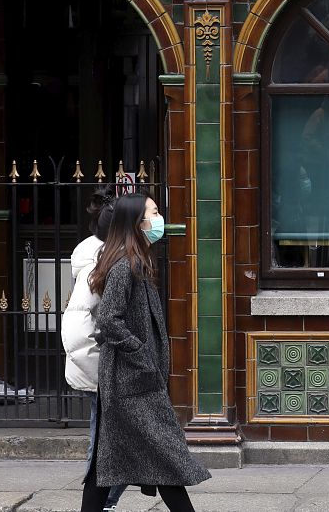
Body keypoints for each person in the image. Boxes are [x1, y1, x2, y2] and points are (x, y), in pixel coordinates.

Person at [81, 193, 209, 512]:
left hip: (135, 382)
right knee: (164, 457)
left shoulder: (136, 261)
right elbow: (109, 318)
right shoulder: (126, 265)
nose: (159, 218)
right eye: (154, 212)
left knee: (115, 462)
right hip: (131, 384)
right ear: (138, 223)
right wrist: (140, 354)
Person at [61, 188, 126, 511]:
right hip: (104, 372)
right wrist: (100, 374)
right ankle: (101, 505)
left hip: (113, 371)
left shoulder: (112, 257)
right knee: (105, 444)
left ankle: (103, 504)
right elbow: (76, 325)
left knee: (117, 442)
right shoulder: (98, 262)